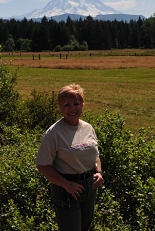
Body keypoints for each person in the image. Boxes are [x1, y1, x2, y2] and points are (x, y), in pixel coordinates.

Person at [35, 83, 104, 231]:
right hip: (66, 190)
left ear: (83, 104)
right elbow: (43, 165)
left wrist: (98, 172)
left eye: (76, 104)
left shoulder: (88, 128)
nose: (72, 108)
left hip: (89, 187)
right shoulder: (53, 133)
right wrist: (67, 185)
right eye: (67, 105)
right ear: (60, 107)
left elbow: (95, 154)